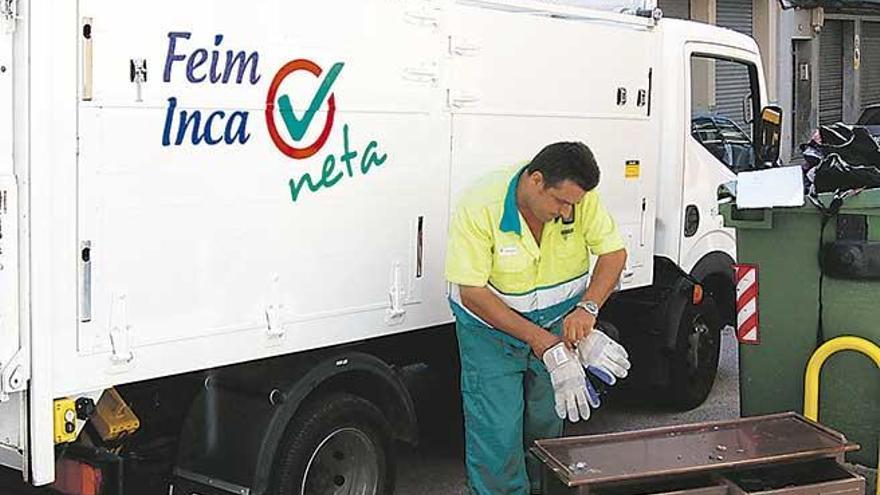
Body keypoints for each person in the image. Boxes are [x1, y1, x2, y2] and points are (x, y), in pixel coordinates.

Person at [445, 141, 629, 494]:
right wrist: (541, 341)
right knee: (498, 433)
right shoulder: (480, 205)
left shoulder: (578, 198)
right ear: (536, 180)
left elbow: (613, 254)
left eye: (572, 205)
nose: (566, 212)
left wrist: (587, 311)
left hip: (556, 325)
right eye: (560, 202)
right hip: (490, 333)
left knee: (547, 422)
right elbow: (472, 293)